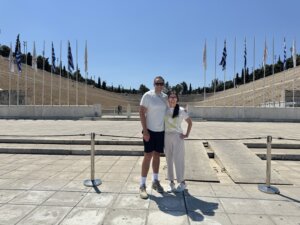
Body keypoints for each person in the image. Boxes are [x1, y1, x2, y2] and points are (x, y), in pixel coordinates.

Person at [139, 76, 167, 199]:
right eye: (157, 83)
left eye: (161, 83)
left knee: (157, 155)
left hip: (161, 132)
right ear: (153, 84)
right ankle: (142, 185)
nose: (159, 86)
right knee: (148, 156)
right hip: (149, 131)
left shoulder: (165, 97)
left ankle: (155, 181)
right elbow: (141, 112)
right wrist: (145, 131)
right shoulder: (148, 95)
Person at [164, 91, 192, 192]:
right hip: (167, 137)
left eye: (174, 97)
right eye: (170, 97)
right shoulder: (165, 110)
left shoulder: (181, 110)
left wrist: (186, 134)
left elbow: (190, 122)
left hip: (177, 137)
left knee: (179, 160)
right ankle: (171, 182)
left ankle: (182, 182)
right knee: (169, 160)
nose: (172, 99)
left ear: (177, 99)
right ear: (168, 99)